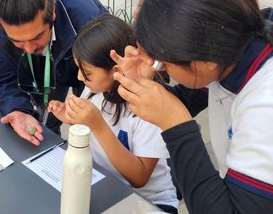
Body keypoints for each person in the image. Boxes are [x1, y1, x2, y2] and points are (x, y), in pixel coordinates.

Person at [112, 0, 273, 213]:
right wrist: (146, 83)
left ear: (205, 61)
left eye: (165, 63)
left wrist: (176, 126)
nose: (163, 69)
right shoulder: (232, 50)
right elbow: (181, 103)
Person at [47, 14, 179, 213]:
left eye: (87, 72)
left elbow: (139, 178)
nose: (79, 77)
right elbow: (94, 134)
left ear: (115, 70)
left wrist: (97, 125)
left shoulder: (147, 105)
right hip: (104, 187)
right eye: (79, 69)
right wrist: (73, 119)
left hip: (149, 203)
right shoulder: (94, 90)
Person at [0, 0, 107, 146]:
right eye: (17, 41)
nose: (29, 48)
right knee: (46, 106)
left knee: (85, 117)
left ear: (53, 12)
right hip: (46, 62)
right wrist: (19, 110)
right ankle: (53, 136)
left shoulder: (87, 20)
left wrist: (88, 116)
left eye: (36, 37)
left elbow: (101, 79)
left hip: (83, 60)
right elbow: (6, 79)